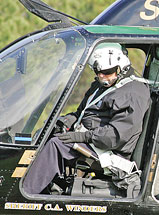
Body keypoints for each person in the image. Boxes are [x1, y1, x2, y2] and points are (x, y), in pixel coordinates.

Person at [23, 43, 151, 195]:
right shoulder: (101, 85)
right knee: (45, 135)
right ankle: (42, 190)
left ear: (121, 67)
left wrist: (81, 136)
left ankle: (25, 195)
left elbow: (116, 136)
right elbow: (81, 112)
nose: (102, 76)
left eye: (107, 72)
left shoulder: (132, 93)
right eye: (98, 72)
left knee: (56, 146)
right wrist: (65, 122)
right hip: (92, 141)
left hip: (108, 151)